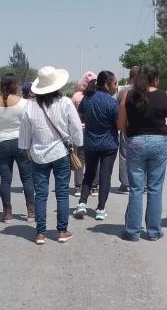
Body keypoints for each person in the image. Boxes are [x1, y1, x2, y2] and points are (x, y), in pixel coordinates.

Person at [19, 66, 83, 245]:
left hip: (38, 155)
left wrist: (27, 151)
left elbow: (24, 134)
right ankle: (62, 231)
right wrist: (76, 147)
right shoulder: (65, 102)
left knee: (41, 194)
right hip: (61, 153)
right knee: (62, 193)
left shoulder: (30, 106)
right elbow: (77, 128)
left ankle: (40, 233)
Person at [118, 65, 167, 241]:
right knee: (155, 188)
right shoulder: (165, 95)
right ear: (156, 79)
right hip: (158, 141)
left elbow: (121, 124)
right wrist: (161, 133)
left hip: (136, 141)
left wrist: (131, 136)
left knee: (136, 188)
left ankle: (132, 231)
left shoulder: (128, 96)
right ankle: (153, 231)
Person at [0, 74, 34, 223]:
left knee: (6, 179)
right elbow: (31, 124)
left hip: (2, 143)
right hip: (21, 143)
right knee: (27, 178)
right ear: (15, 86)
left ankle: (7, 213)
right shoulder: (24, 103)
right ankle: (31, 212)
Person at [74, 70, 119, 220]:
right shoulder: (111, 102)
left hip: (91, 143)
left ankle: (82, 203)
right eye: (114, 83)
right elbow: (118, 124)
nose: (116, 87)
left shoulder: (87, 99)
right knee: (105, 177)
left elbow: (80, 115)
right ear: (106, 84)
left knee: (89, 173)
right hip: (109, 145)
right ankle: (100, 209)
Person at [71, 71, 99, 197]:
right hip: (93, 130)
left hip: (79, 130)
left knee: (80, 158)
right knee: (94, 159)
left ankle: (78, 187)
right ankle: (94, 187)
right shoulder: (98, 95)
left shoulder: (77, 96)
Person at [116, 66, 140, 193]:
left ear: (130, 76)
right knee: (141, 156)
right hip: (141, 128)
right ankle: (142, 183)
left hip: (126, 127)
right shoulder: (144, 90)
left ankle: (125, 184)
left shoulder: (123, 92)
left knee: (125, 155)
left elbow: (117, 110)